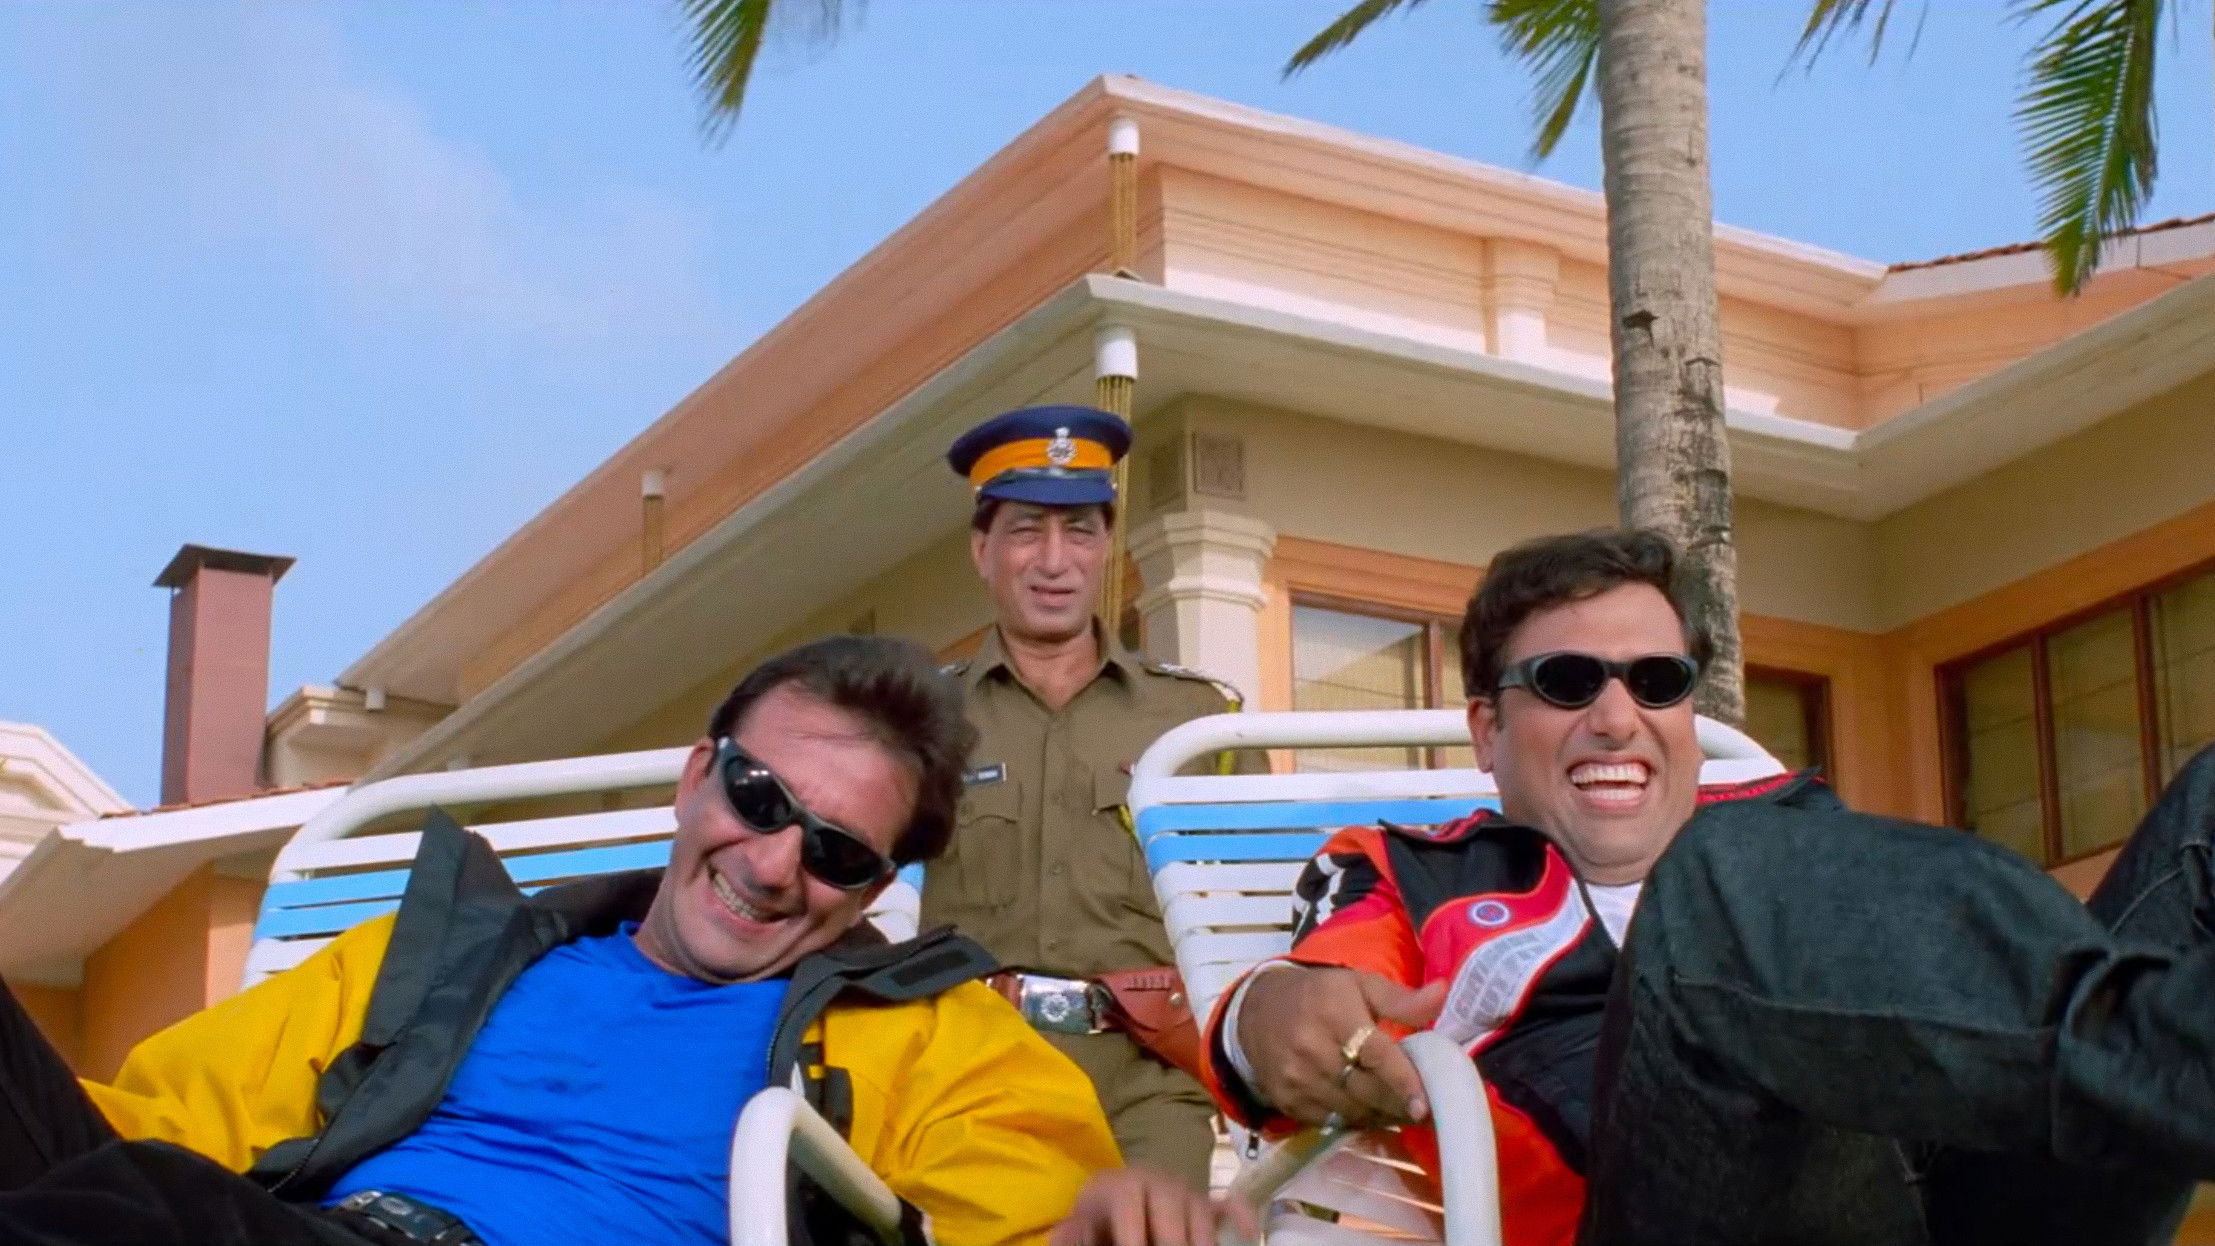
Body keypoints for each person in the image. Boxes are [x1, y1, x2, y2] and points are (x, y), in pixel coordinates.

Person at [0, 635, 1240, 1246]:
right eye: (757, 796)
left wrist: (1097, 1224)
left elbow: (1029, 1220)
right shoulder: (432, 958)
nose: (773, 863)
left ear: (875, 887)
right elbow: (155, 1121)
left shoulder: (943, 1045)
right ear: (699, 776)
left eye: (836, 851)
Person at [1206, 529, 2215, 1245]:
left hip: (1984, 1193)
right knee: (1717, 876)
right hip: (1663, 1211)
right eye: (1565, 682)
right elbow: (1304, 1007)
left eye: (1655, 682)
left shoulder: (1786, 823)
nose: (1617, 718)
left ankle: (2160, 1052)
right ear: (1485, 728)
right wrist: (1266, 1013)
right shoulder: (1407, 869)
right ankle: (2163, 1056)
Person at [927, 405, 1260, 1190]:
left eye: (1078, 532)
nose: (1055, 561)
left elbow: (1257, 919)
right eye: (1025, 532)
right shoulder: (920, 720)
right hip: (971, 1069)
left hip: (1150, 1077)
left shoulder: (1197, 720)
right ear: (981, 550)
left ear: (1105, 546)